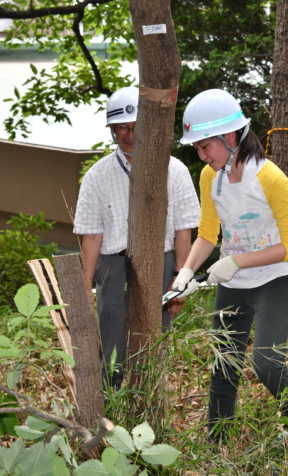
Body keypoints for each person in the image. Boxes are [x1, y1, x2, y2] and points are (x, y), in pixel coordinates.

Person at [172, 89, 288, 451]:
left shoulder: (271, 179)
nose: (202, 155)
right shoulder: (211, 178)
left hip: (274, 279)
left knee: (267, 363)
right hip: (233, 284)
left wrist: (237, 260)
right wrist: (186, 270)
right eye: (197, 148)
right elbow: (208, 234)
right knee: (223, 363)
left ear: (230, 137)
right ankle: (217, 442)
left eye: (205, 146)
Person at [73, 86, 200, 389]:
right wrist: (83, 288)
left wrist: (179, 279)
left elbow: (185, 228)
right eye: (121, 128)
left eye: (135, 127)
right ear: (112, 130)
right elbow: (91, 236)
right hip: (112, 265)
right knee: (112, 339)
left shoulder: (175, 169)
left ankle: (150, 400)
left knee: (155, 339)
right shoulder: (96, 176)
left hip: (161, 260)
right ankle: (112, 403)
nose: (129, 134)